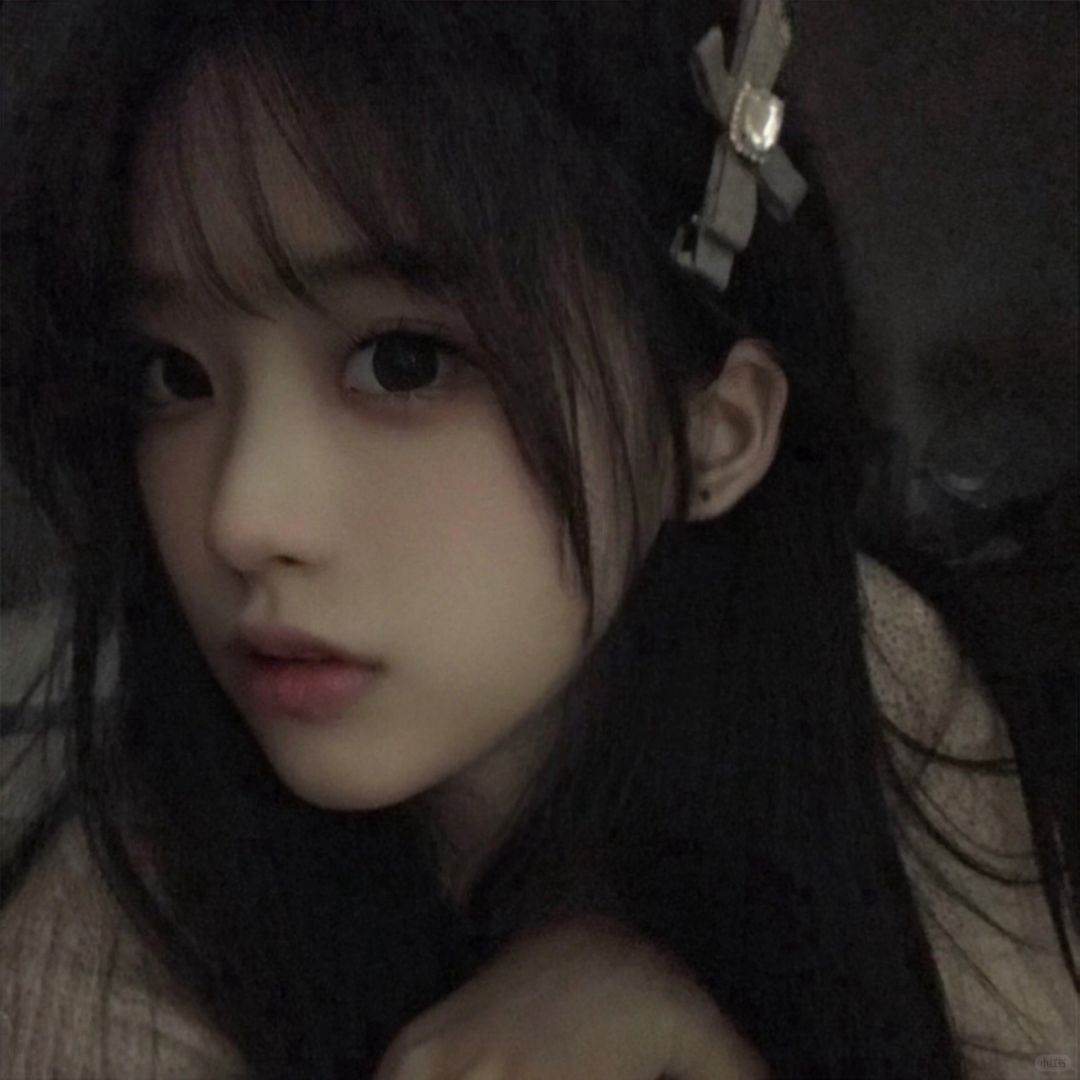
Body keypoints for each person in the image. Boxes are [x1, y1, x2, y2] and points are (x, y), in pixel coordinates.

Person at [0, 1, 1075, 1077]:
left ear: (712, 433)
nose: (239, 519)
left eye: (404, 362)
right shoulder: (95, 968)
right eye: (171, 375)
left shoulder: (880, 676)